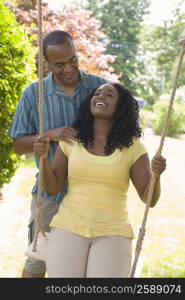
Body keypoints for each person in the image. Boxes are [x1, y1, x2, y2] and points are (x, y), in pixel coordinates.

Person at [34, 82, 166, 278]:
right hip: (69, 226)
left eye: (109, 95)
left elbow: (149, 200)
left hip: (113, 230)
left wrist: (156, 175)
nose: (100, 96)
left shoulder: (134, 148)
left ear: (121, 107)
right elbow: (53, 188)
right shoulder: (72, 140)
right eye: (97, 93)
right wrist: (44, 159)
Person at [8, 30, 109, 278]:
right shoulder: (34, 93)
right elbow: (18, 143)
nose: (68, 68)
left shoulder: (98, 88)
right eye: (59, 64)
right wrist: (50, 134)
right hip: (49, 197)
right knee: (36, 267)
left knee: (85, 270)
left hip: (91, 196)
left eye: (72, 59)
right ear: (47, 63)